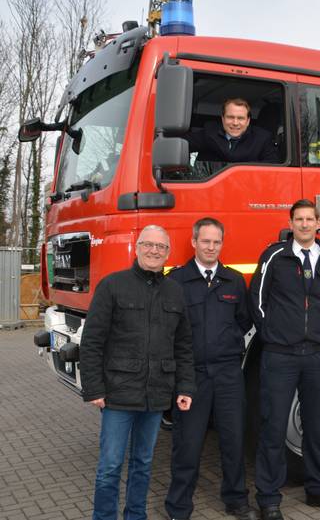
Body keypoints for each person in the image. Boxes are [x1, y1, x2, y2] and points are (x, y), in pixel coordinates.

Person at [80, 225, 195, 520]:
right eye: (149, 245)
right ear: (137, 247)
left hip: (156, 396)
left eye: (161, 247)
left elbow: (183, 346)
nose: (154, 251)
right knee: (110, 466)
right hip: (118, 394)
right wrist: (94, 388)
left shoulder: (175, 292)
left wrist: (184, 388)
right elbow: (92, 341)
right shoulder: (113, 285)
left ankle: (136, 515)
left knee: (143, 464)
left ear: (168, 253)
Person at [249, 199, 320, 519]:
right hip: (281, 356)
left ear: (319, 223)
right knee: (273, 427)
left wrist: (319, 332)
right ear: (290, 223)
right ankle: (268, 497)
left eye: (310, 219)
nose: (305, 224)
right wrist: (276, 334)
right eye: (299, 219)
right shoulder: (274, 256)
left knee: (317, 427)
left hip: (318, 355)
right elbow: (258, 302)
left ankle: (318, 489)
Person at [165, 218, 256, 520]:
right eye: (205, 241)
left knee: (233, 440)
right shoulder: (177, 281)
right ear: (194, 242)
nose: (211, 247)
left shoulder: (233, 280)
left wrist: (228, 342)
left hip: (229, 373)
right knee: (187, 444)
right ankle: (179, 506)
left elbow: (243, 319)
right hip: (193, 376)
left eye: (216, 242)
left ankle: (236, 500)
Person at [186, 98, 279, 173]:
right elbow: (180, 144)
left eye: (240, 118)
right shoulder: (209, 133)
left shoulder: (262, 138)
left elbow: (273, 168)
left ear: (248, 121)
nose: (235, 123)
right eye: (230, 117)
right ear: (222, 119)